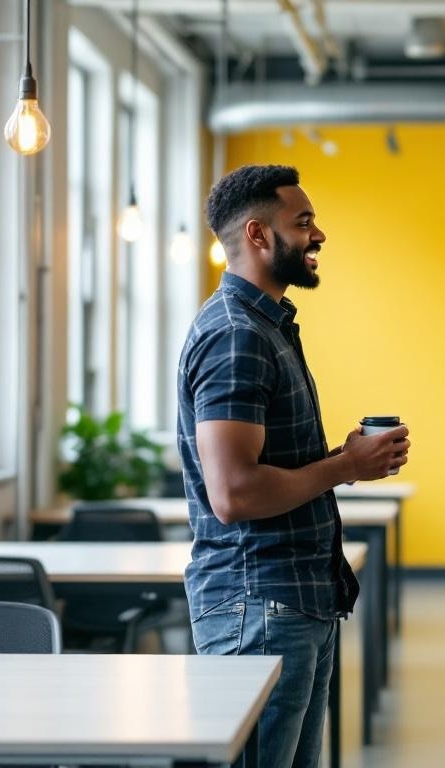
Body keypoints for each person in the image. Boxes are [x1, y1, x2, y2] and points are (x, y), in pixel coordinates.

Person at [176, 164, 409, 768]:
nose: (319, 235)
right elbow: (233, 494)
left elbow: (260, 471)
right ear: (258, 235)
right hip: (259, 605)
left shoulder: (265, 327)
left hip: (292, 601)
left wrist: (346, 461)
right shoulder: (236, 336)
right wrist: (341, 469)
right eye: (303, 222)